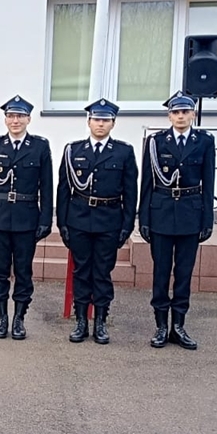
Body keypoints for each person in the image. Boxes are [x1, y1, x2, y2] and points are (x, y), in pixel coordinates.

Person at [56, 99, 139, 345]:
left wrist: (127, 225)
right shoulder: (73, 150)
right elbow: (64, 189)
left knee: (102, 272)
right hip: (79, 219)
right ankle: (81, 321)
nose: (100, 124)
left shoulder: (124, 152)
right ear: (89, 122)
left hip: (109, 220)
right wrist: (62, 223)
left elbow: (130, 192)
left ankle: (101, 321)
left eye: (105, 120)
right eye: (96, 119)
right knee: (81, 271)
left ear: (113, 123)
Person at [139, 90, 216, 350]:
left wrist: (207, 219)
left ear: (193, 114)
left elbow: (209, 182)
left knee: (184, 273)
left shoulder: (204, 141)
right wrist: (144, 217)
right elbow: (147, 183)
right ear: (169, 116)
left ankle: (179, 326)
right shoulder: (156, 142)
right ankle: (161, 326)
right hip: (161, 213)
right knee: (161, 273)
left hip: (190, 214)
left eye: (185, 112)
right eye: (175, 112)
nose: (180, 116)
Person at [0, 95, 54, 340]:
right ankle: (1, 316)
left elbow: (46, 186)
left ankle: (19, 318)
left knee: (23, 271)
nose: (15, 121)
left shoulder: (39, 146)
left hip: (26, 219)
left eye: (20, 116)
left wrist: (45, 219)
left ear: (29, 119)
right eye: (11, 116)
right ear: (5, 119)